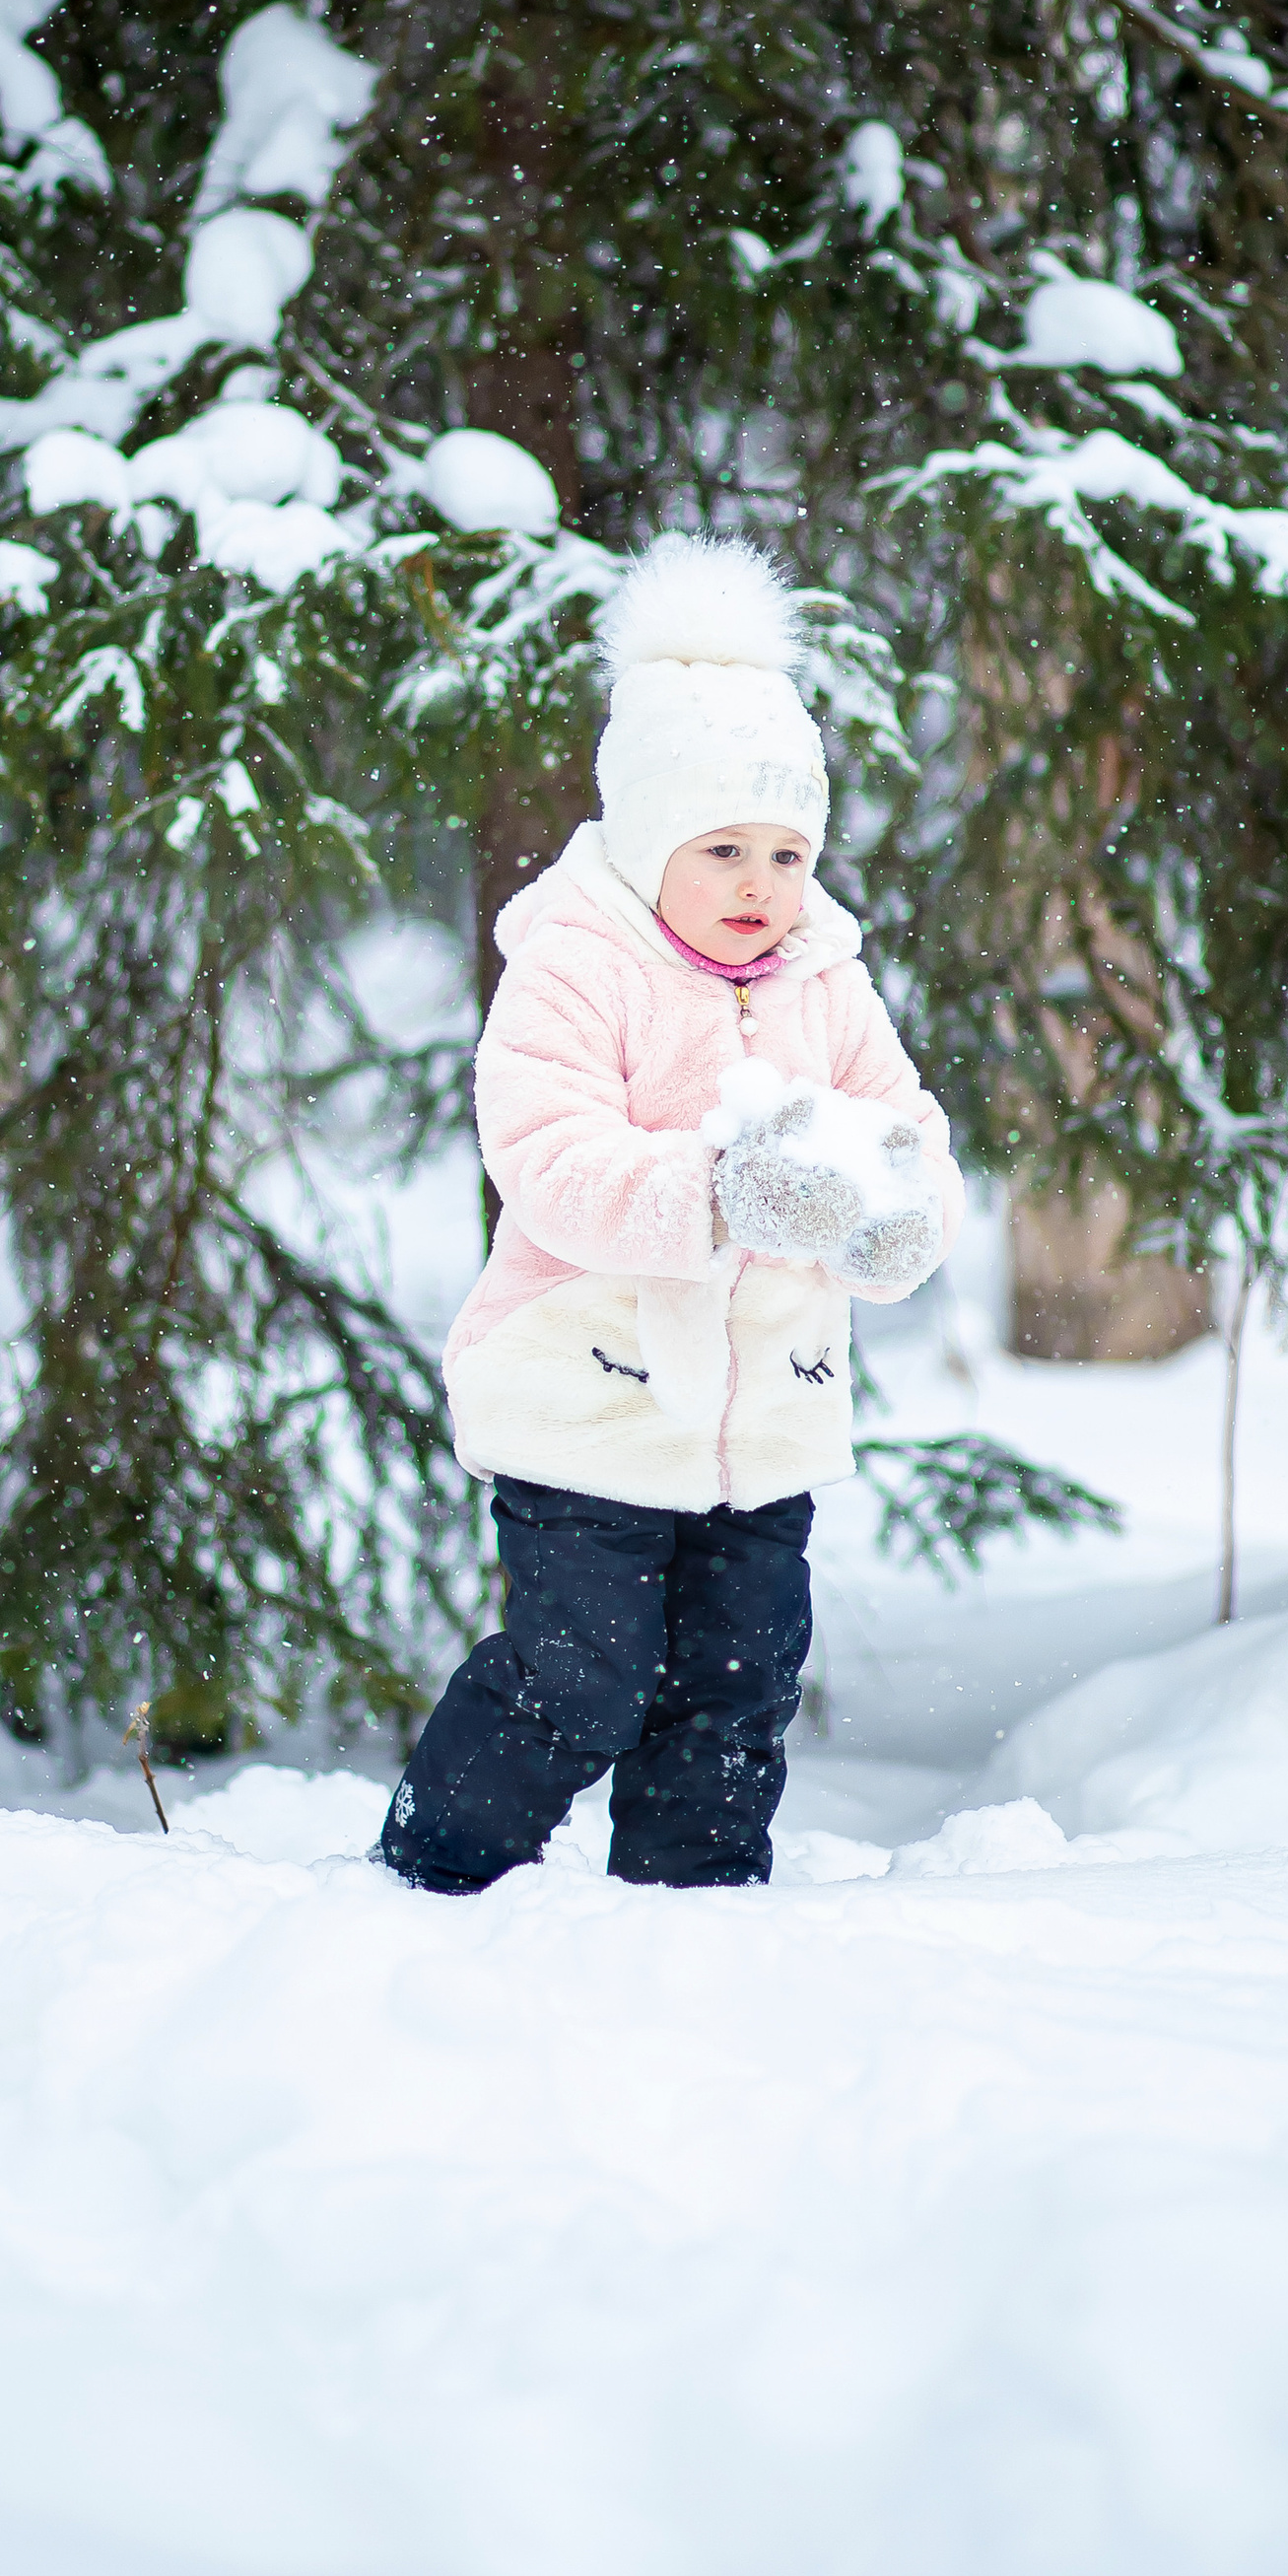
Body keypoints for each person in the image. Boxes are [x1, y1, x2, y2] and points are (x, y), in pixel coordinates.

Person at [381, 530, 964, 1893]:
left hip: (764, 1415)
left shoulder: (826, 973)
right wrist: (716, 1194)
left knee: (737, 1681)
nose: (764, 886)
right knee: (581, 1679)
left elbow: (902, 1123)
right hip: (591, 1402)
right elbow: (549, 1155)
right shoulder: (578, 962)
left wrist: (898, 1211)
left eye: (787, 851)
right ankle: (434, 1876)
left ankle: (694, 1908)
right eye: (724, 850)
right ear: (649, 843)